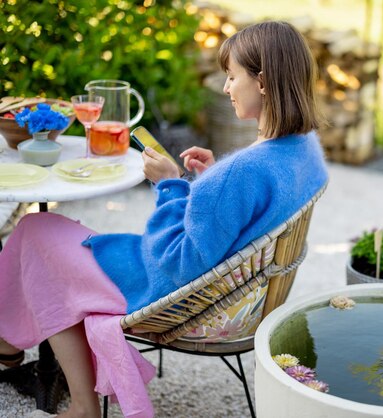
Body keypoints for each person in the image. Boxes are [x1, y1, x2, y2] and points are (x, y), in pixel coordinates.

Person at [0, 21, 328, 418]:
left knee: (36, 232)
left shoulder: (242, 172)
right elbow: (246, 214)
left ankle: (71, 396)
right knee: (45, 234)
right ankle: (9, 343)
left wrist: (170, 186)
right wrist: (208, 182)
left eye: (231, 76)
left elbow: (174, 267)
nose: (226, 88)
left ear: (262, 82)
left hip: (172, 296)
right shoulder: (302, 149)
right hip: (238, 300)